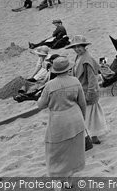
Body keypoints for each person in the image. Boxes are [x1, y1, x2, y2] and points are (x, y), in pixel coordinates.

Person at [37, 57, 86, 186]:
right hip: (76, 119)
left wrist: (38, 98)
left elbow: (41, 105)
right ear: (68, 69)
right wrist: (83, 119)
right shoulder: (75, 81)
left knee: (55, 153)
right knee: (72, 151)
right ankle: (68, 182)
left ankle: (57, 182)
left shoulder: (50, 85)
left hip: (59, 122)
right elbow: (82, 103)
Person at [67, 35, 108, 145]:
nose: (77, 49)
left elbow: (92, 80)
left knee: (90, 116)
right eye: (74, 47)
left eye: (79, 47)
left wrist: (89, 95)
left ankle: (93, 137)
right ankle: (92, 136)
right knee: (89, 116)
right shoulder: (79, 57)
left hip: (87, 92)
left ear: (84, 46)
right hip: (81, 90)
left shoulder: (87, 59)